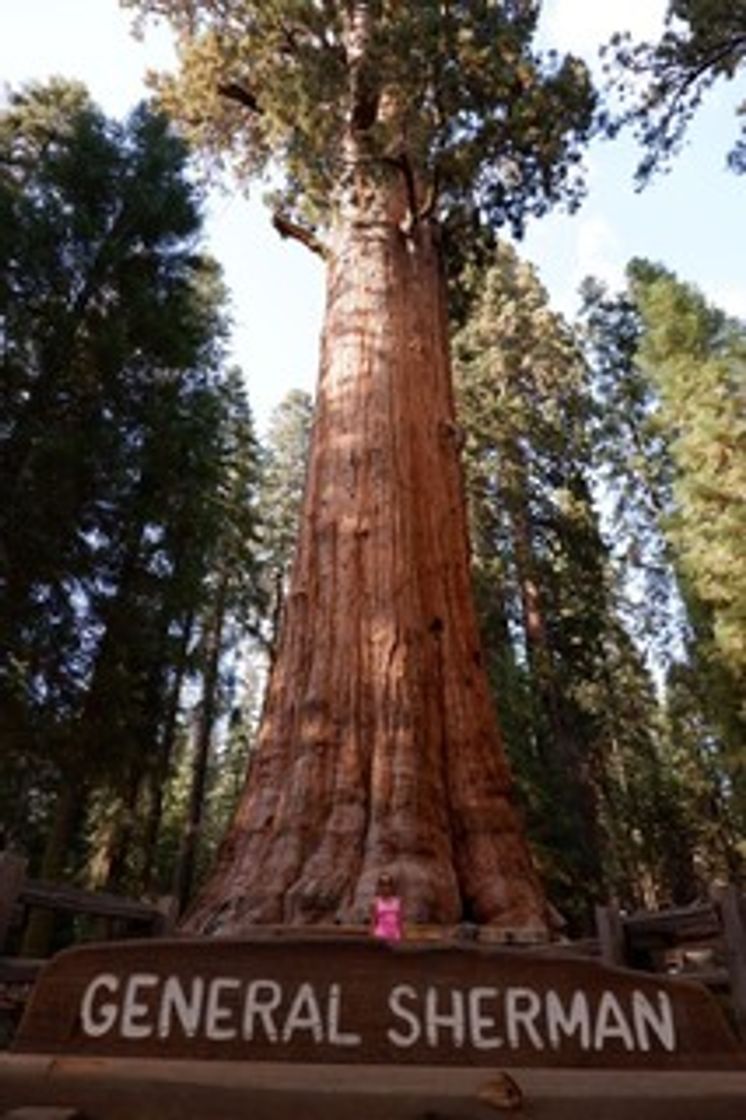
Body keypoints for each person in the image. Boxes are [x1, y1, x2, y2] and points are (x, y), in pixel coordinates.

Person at [371, 871, 403, 942]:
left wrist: (402, 937)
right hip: (380, 936)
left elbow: (400, 922)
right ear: (379, 886)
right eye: (383, 884)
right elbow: (373, 922)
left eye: (388, 884)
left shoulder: (398, 902)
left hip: (395, 936)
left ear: (391, 886)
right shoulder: (375, 902)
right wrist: (372, 939)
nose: (385, 887)